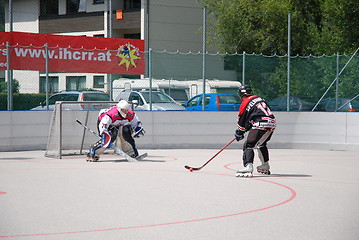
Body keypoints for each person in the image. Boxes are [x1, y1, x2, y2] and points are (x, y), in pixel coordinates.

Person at [234, 85, 276, 177]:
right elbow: (255, 116)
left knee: (248, 145)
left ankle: (248, 166)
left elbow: (242, 119)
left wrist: (239, 132)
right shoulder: (260, 98)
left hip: (260, 124)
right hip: (271, 123)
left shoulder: (245, 102)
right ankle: (265, 165)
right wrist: (246, 128)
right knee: (261, 144)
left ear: (241, 94)